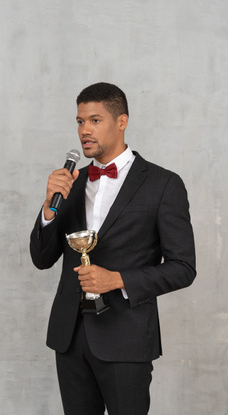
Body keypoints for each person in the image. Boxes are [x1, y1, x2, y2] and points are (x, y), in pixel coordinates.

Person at [30, 82, 196, 415]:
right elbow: (42, 258)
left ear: (122, 122)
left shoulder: (163, 184)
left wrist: (118, 279)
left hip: (127, 338)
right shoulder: (70, 185)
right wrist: (49, 207)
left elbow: (182, 267)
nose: (84, 131)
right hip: (70, 336)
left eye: (94, 120)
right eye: (79, 122)